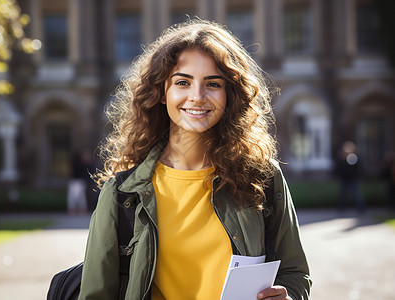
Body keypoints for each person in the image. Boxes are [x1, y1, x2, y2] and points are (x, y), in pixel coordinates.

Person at [79, 19, 312, 300]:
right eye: (182, 82)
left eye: (213, 83)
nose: (197, 96)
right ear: (161, 92)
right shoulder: (121, 195)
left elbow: (296, 273)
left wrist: (288, 296)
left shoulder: (262, 178)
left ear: (230, 95)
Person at [335, 141, 366, 213]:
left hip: (353, 179)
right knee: (342, 195)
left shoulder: (354, 158)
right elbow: (338, 169)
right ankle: (341, 208)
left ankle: (361, 208)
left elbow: (359, 168)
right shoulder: (342, 159)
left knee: (357, 195)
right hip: (344, 179)